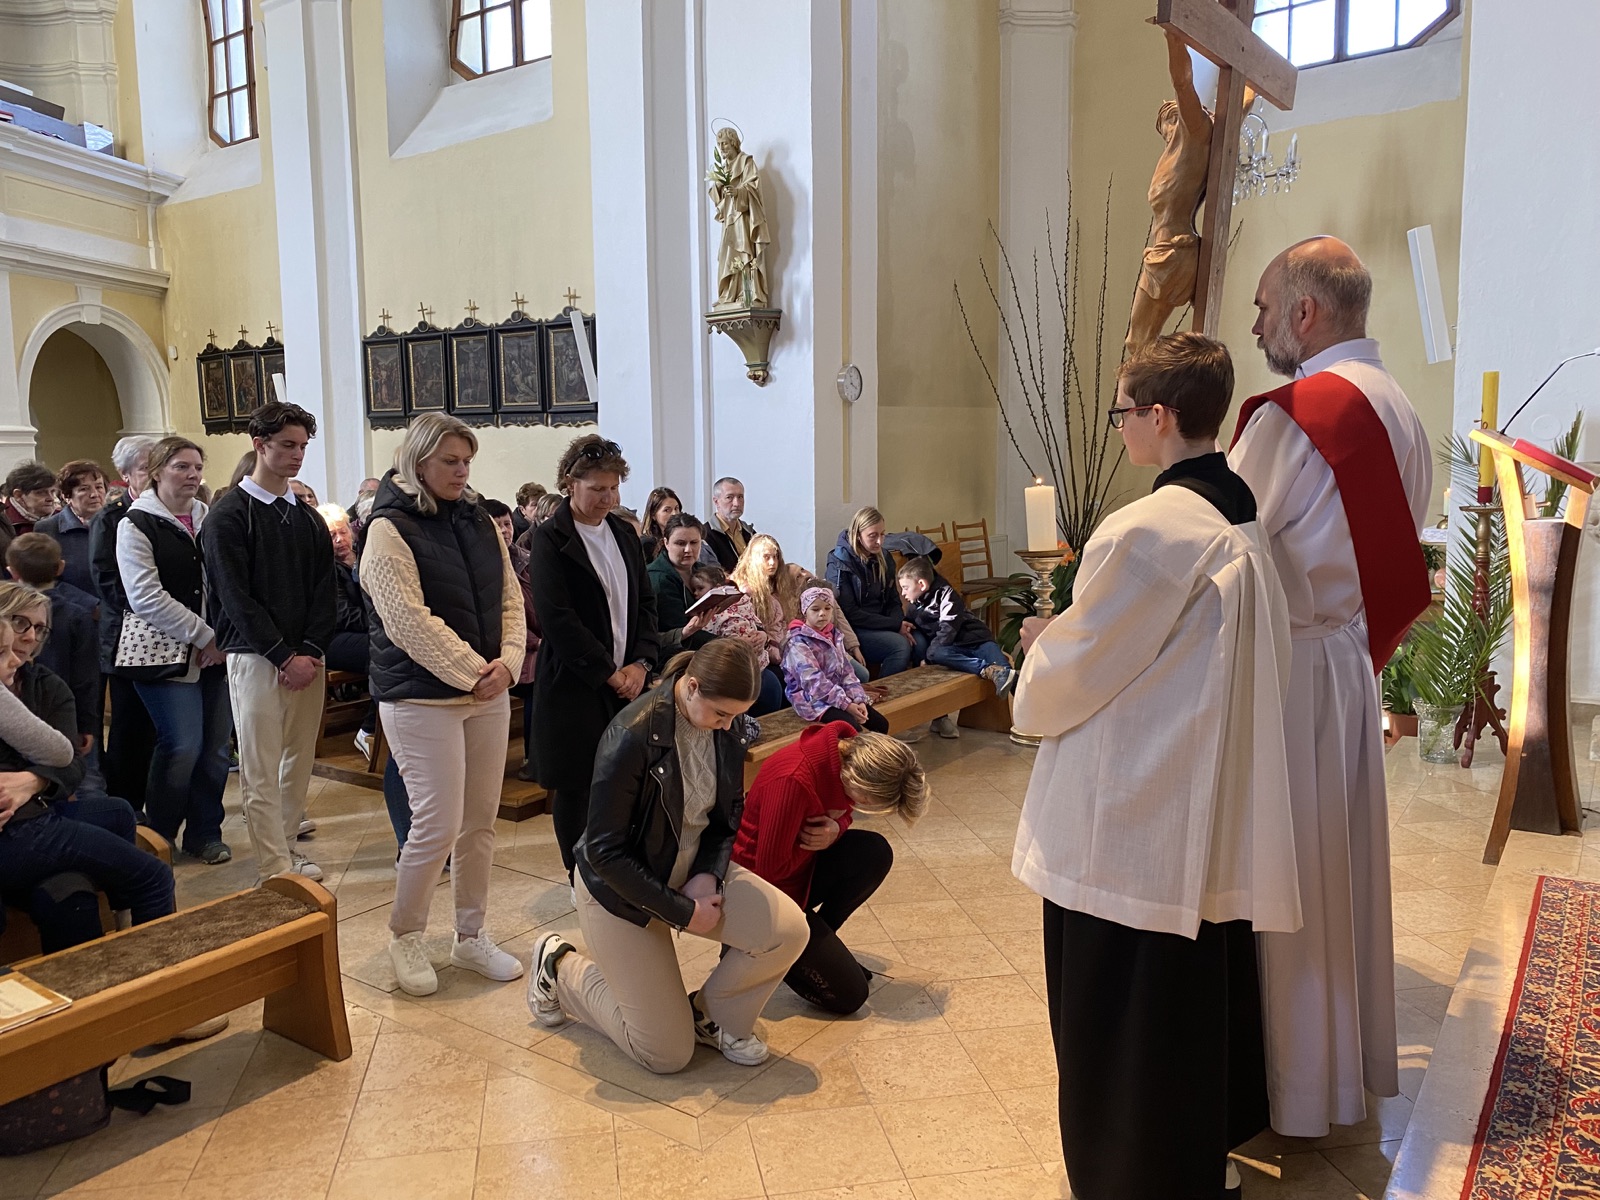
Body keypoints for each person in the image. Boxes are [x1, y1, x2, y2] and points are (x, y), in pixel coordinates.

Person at [1012, 331, 1300, 1200]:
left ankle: (1130, 1177)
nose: (1120, 429)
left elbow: (1075, 673)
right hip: (1195, 807)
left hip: (1129, 819)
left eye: (1122, 413)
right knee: (1183, 1006)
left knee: (1119, 1014)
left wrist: (1039, 645)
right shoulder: (1237, 513)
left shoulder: (1149, 529)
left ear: (1162, 415)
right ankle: (1194, 1161)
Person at [1228, 237, 1432, 1137]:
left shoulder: (1298, 416)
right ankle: (1339, 1073)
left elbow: (1222, 549)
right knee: (1337, 872)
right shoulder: (1403, 412)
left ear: (1306, 312)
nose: (1258, 326)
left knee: (1291, 881)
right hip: (1346, 665)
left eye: (1265, 307)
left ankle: (1296, 1090)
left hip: (1288, 672)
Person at [527, 640, 809, 1071]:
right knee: (665, 1054)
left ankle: (713, 1018)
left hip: (686, 867)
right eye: (721, 714)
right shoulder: (631, 735)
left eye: (736, 716)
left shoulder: (727, 727)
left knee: (788, 931)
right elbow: (604, 852)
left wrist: (708, 873)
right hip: (620, 890)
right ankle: (560, 968)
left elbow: (727, 818)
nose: (728, 725)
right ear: (692, 686)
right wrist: (682, 912)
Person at [361, 413, 526, 997]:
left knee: (479, 821)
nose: (462, 472)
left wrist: (508, 662)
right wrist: (474, 672)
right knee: (436, 823)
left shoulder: (477, 518)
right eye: (450, 461)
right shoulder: (388, 527)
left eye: (467, 461)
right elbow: (406, 619)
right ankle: (405, 934)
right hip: (421, 695)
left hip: (486, 689)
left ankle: (470, 934)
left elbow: (510, 596)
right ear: (419, 461)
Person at [202, 402, 336, 884]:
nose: (297, 455)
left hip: (308, 658)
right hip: (255, 656)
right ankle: (272, 866)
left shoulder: (308, 519)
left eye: (302, 446)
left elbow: (326, 591)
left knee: (299, 759)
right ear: (259, 445)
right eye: (287, 445)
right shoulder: (228, 516)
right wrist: (282, 655)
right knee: (260, 765)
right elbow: (234, 597)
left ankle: (288, 848)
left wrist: (312, 650)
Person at [527, 435, 659, 876]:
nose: (608, 498)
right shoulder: (550, 538)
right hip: (576, 682)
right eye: (597, 488)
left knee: (626, 780)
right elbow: (557, 618)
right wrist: (608, 672)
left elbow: (645, 605)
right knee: (579, 786)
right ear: (570, 483)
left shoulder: (622, 533)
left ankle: (619, 867)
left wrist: (640, 663)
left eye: (614, 488)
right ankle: (579, 875)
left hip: (629, 678)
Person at [735, 721, 924, 1013]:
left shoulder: (845, 758)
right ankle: (775, 955)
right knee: (850, 997)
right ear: (858, 780)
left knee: (874, 852)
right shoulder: (793, 780)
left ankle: (814, 945)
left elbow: (840, 814)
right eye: (866, 801)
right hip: (761, 894)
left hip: (797, 874)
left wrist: (837, 829)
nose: (859, 806)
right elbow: (771, 873)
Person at [115, 436, 232, 866]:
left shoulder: (209, 517)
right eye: (181, 466)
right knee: (182, 745)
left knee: (216, 749)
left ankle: (205, 833)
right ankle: (159, 837)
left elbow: (227, 580)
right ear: (157, 471)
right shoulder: (137, 523)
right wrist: (204, 636)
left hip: (218, 650)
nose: (192, 475)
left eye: (197, 467)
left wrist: (222, 637)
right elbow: (145, 596)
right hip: (162, 651)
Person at [90, 435, 158, 811]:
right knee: (130, 725)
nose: (154, 475)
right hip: (128, 635)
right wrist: (154, 611)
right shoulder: (112, 518)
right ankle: (126, 805)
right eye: (146, 468)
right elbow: (108, 580)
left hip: (172, 633)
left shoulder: (175, 512)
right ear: (126, 474)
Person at [7, 536, 99, 767]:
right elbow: (86, 678)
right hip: (61, 716)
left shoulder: (76, 617)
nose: (30, 637)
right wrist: (87, 724)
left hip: (55, 716)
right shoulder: (78, 616)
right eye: (20, 624)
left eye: (40, 628)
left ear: (12, 572)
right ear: (60, 567)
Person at [897, 555, 1017, 705]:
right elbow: (911, 620)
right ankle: (987, 670)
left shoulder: (947, 595)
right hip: (956, 648)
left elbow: (948, 629)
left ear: (921, 584)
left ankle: (1031, 709)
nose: (903, 593)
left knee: (1008, 674)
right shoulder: (915, 605)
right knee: (939, 653)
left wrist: (927, 658)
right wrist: (904, 624)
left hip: (978, 641)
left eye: (905, 588)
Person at [826, 506, 920, 677]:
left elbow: (893, 600)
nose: (880, 541)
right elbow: (850, 613)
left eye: (882, 534)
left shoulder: (884, 557)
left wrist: (898, 622)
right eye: (873, 536)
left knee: (919, 641)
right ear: (858, 535)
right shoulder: (839, 562)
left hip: (883, 622)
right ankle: (886, 691)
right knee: (900, 646)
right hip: (856, 629)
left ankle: (920, 691)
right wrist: (894, 625)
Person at [782, 588, 885, 733]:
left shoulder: (834, 635)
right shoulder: (797, 641)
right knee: (852, 729)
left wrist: (859, 699)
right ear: (805, 611)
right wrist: (846, 705)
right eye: (815, 609)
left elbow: (847, 672)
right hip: (811, 700)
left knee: (881, 724)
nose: (822, 613)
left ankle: (880, 749)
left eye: (827, 608)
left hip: (837, 695)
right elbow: (813, 682)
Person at [35, 459, 108, 596]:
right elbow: (46, 581)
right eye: (84, 489)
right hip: (74, 607)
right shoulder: (48, 529)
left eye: (99, 487)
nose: (94, 494)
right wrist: (91, 604)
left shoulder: (118, 522)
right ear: (66, 496)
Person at [648, 512, 714, 657]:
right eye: (680, 543)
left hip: (708, 641)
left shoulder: (703, 570)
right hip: (676, 655)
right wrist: (730, 642)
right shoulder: (658, 579)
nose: (688, 550)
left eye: (694, 543)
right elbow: (677, 631)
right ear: (666, 543)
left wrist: (759, 632)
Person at [702, 477, 755, 570]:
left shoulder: (749, 532)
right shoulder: (705, 535)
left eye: (740, 497)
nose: (736, 503)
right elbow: (711, 573)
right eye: (729, 497)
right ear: (716, 502)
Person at [3, 461, 58, 540]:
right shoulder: (3, 523)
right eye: (41, 492)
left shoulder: (62, 519)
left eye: (52, 492)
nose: (51, 498)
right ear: (18, 495)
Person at [640, 486, 682, 562]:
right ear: (653, 515)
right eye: (667, 510)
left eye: (676, 508)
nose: (674, 513)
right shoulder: (647, 543)